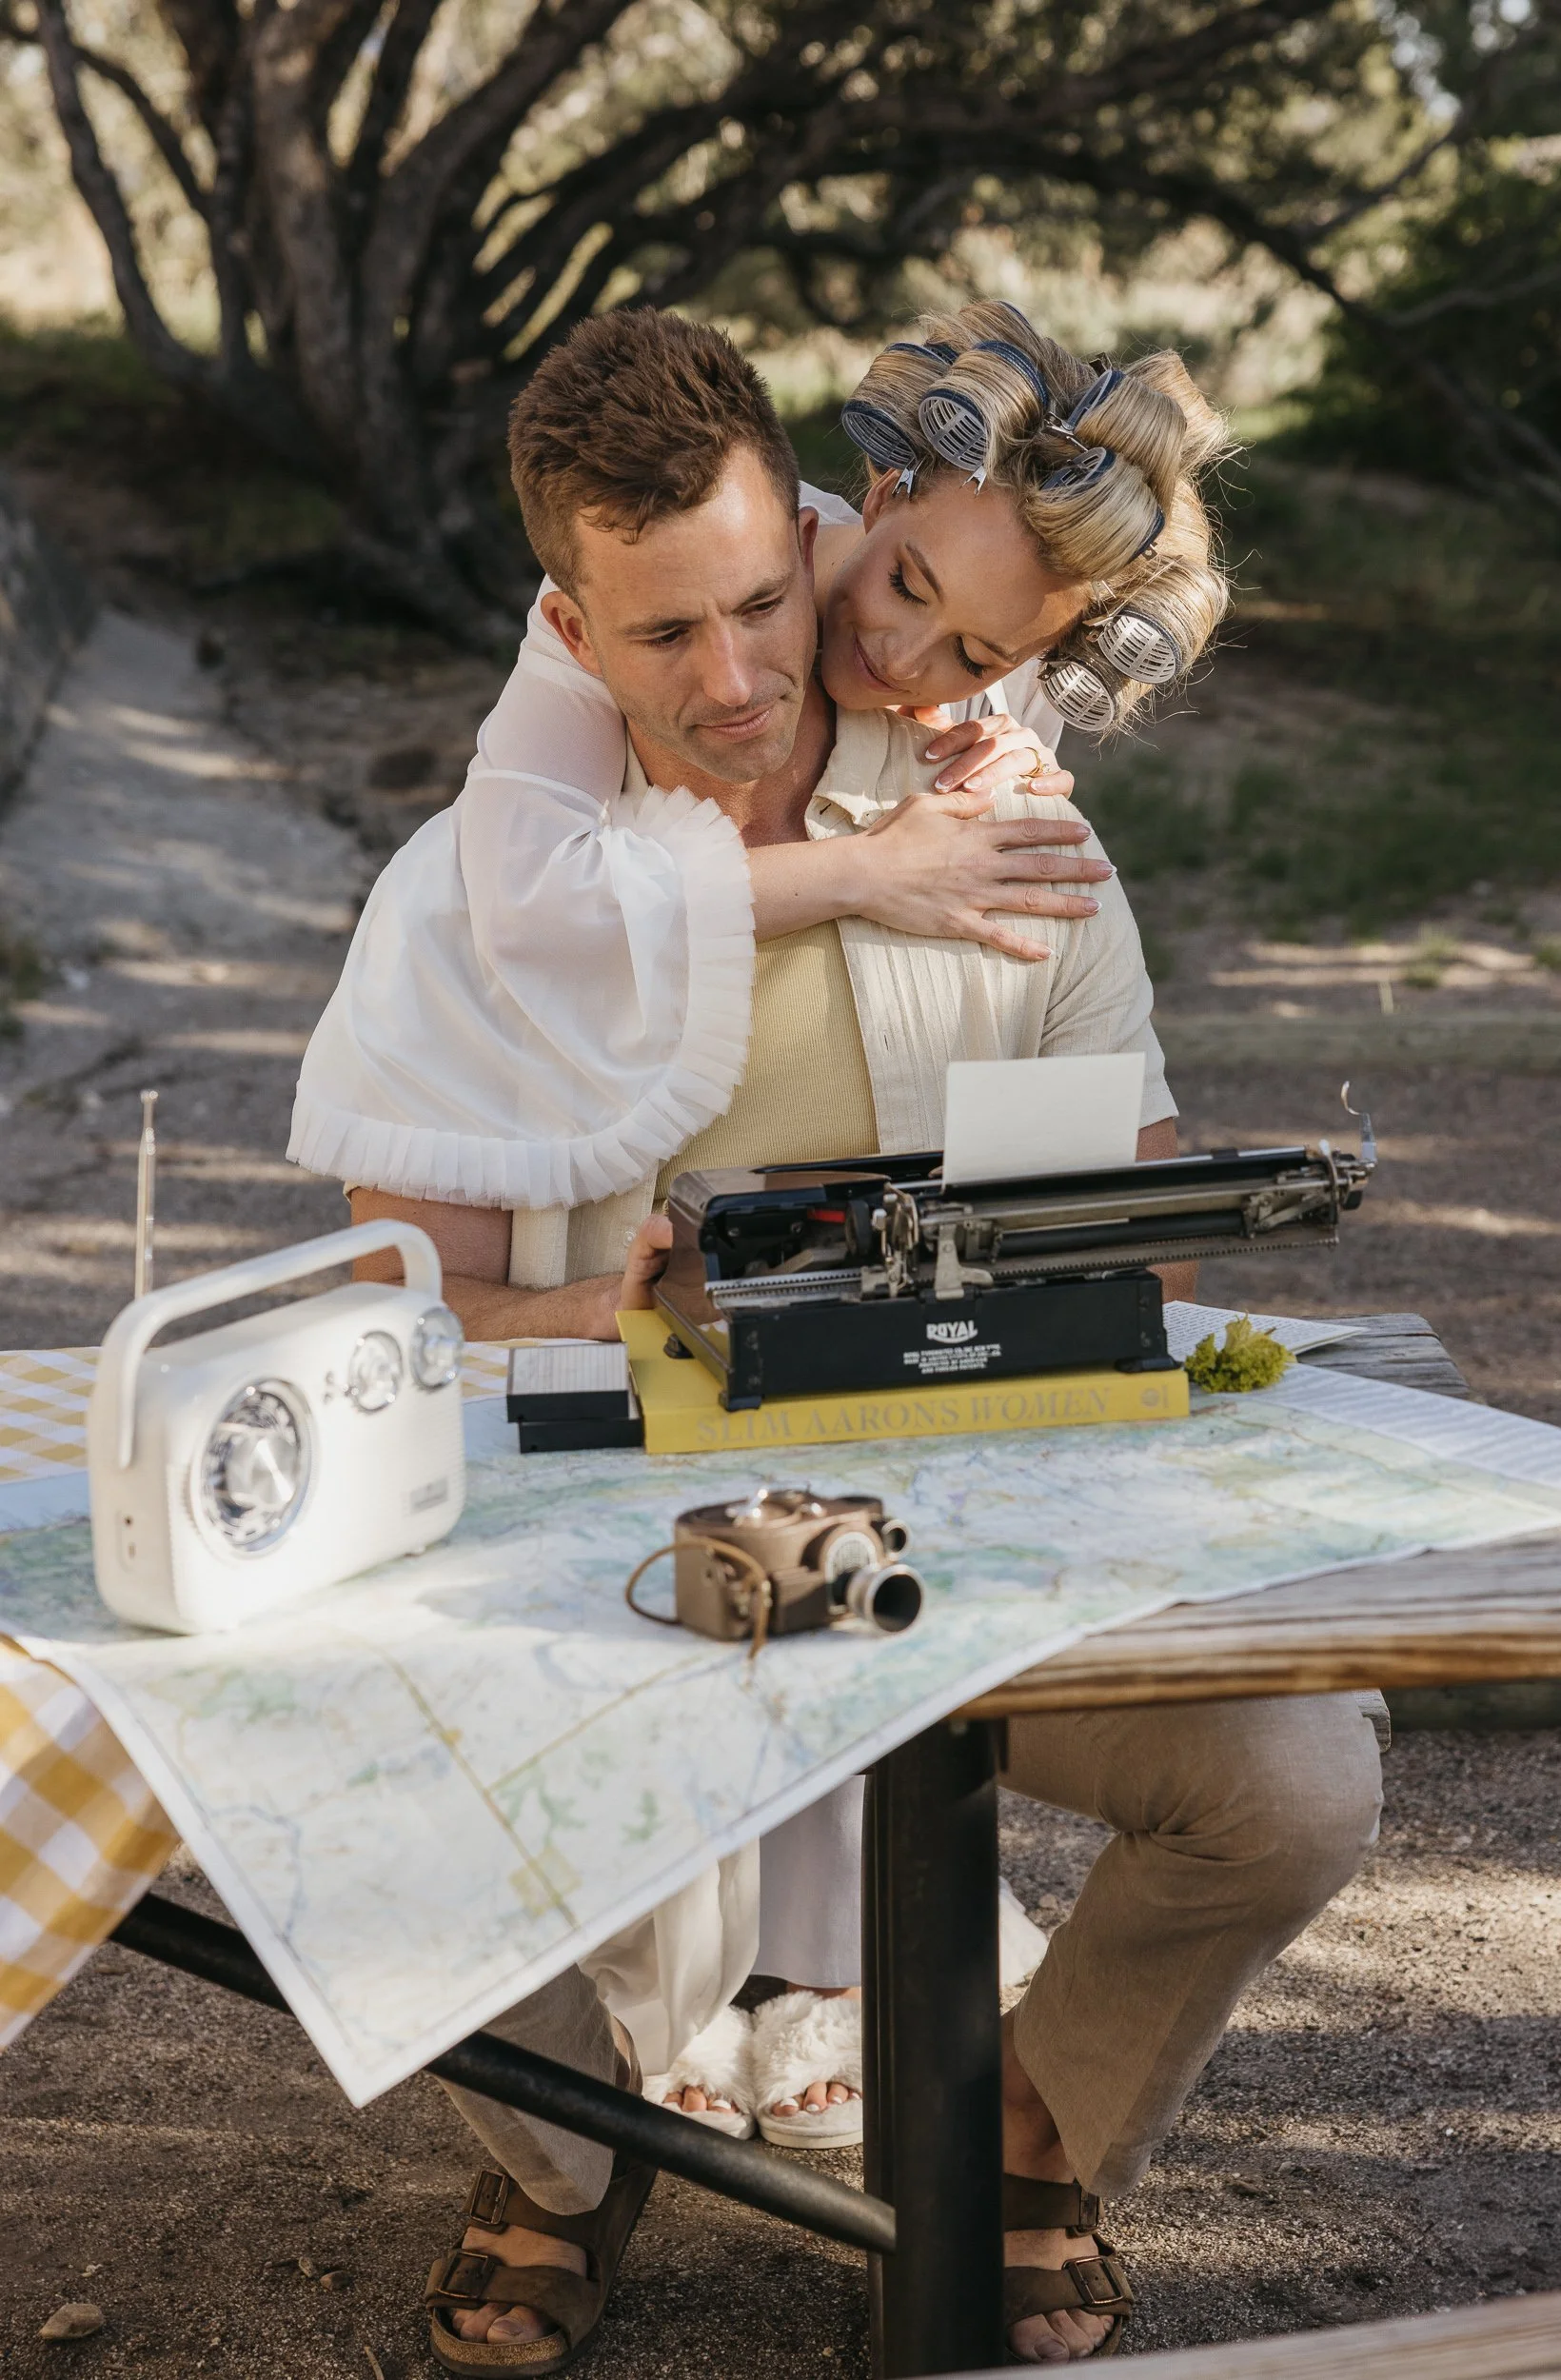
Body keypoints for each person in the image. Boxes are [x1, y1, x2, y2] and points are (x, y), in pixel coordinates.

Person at [290, 307, 1383, 2372]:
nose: (740, 676)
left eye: (767, 606)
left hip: (943, 1532)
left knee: (1296, 1778)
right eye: (662, 635)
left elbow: (1121, 1211)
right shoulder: (477, 888)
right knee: (242, 1720)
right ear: (572, 628)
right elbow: (399, 1299)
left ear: (818, 535)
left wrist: (1095, 1219)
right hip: (598, 1538)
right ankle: (556, 2151)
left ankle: (1024, 2138)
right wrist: (609, 1309)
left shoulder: (1003, 806)